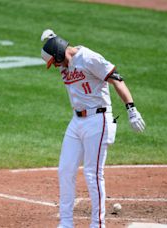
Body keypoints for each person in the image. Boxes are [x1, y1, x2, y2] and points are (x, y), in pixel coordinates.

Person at [40, 29, 145, 228]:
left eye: (54, 61)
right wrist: (50, 38)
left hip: (98, 119)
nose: (55, 67)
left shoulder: (89, 58)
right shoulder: (65, 64)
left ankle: (98, 224)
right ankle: (66, 223)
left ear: (60, 53)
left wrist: (131, 109)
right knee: (65, 169)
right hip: (76, 121)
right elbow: (55, 43)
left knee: (92, 173)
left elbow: (116, 79)